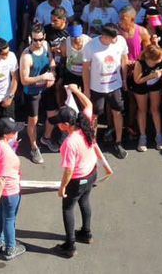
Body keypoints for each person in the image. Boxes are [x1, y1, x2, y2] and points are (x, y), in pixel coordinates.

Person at [55, 85, 106, 258]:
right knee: (84, 201)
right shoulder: (85, 122)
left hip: (77, 180)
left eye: (59, 122)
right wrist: (77, 92)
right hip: (91, 174)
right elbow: (89, 103)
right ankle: (86, 233)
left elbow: (69, 170)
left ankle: (70, 245)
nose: (58, 124)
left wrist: (63, 187)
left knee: (68, 209)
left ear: (66, 125)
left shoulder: (69, 143)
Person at [82, 23, 130, 159]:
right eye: (113, 38)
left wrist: (125, 80)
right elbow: (85, 69)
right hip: (97, 87)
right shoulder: (91, 47)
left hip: (115, 86)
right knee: (95, 115)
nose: (116, 40)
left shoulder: (120, 41)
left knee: (117, 112)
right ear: (105, 36)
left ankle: (118, 142)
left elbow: (124, 59)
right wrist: (86, 89)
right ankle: (93, 143)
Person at [0, 117, 26, 261]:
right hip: (9, 191)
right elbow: (2, 178)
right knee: (9, 219)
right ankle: (10, 248)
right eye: (14, 131)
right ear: (6, 135)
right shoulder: (7, 153)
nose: (16, 132)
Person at [20, 22, 57, 164]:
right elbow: (24, 80)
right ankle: (34, 147)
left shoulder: (46, 45)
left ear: (44, 37)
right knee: (33, 120)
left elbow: (52, 61)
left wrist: (52, 74)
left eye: (40, 39)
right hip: (33, 91)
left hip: (47, 88)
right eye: (35, 40)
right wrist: (43, 77)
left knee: (52, 114)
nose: (38, 42)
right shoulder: (26, 56)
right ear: (31, 38)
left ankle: (46, 138)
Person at [130, 43, 162, 152]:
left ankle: (159, 135)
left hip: (155, 86)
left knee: (155, 109)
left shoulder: (161, 61)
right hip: (140, 87)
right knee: (142, 110)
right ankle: (142, 136)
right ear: (151, 58)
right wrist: (151, 76)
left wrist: (160, 71)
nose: (161, 58)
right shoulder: (140, 63)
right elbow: (137, 80)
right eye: (159, 57)